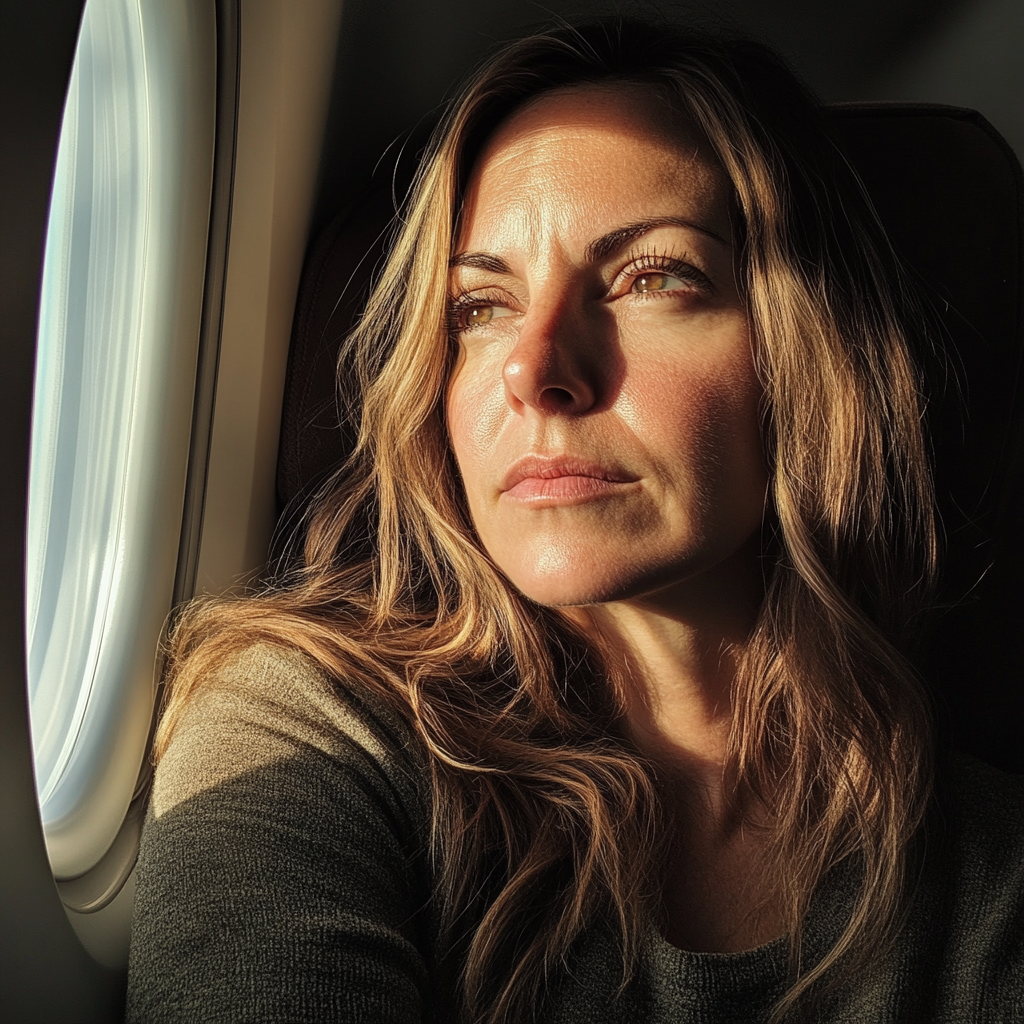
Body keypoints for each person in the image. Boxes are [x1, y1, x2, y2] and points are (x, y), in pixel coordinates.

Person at [126, 18, 1024, 1024]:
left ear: (809, 357)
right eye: (480, 307)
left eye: (652, 278)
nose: (535, 369)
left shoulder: (986, 881)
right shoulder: (310, 731)